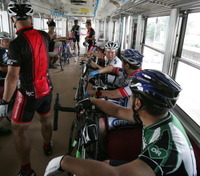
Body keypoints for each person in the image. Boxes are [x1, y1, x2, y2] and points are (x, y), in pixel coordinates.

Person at [45, 69, 197, 176]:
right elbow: (118, 111)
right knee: (105, 164)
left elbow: (116, 174)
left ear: (137, 103)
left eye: (132, 95)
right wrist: (91, 100)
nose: (128, 97)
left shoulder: (167, 147)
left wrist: (63, 161)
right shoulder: (157, 116)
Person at [0, 0, 53, 176]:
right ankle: (47, 145)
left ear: (12, 19)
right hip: (47, 89)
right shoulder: (44, 36)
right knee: (45, 119)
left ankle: (26, 171)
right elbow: (51, 35)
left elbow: (12, 77)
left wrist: (4, 101)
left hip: (28, 94)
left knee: (18, 129)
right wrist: (51, 25)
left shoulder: (16, 44)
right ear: (30, 17)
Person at [0, 31, 12, 136]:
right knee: (2, 103)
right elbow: (2, 68)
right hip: (1, 80)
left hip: (5, 79)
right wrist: (14, 68)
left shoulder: (4, 51)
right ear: (1, 42)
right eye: (6, 41)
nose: (8, 42)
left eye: (9, 41)